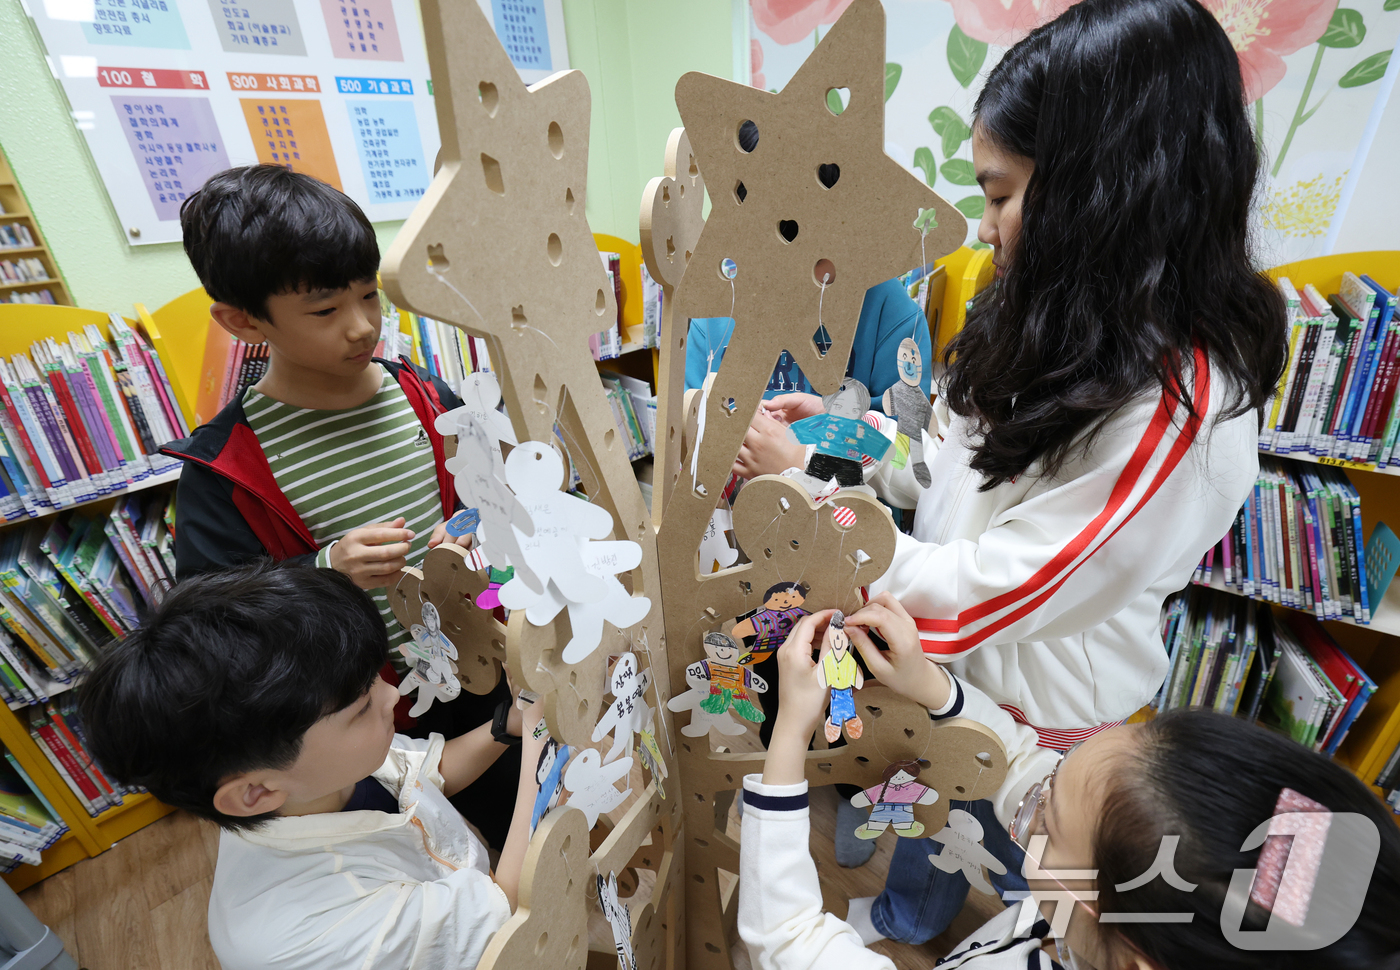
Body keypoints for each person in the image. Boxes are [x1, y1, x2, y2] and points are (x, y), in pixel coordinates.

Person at [740, 0, 1289, 942]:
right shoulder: (1052, 307)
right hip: (951, 680)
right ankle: (911, 920)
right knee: (932, 819)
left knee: (1015, 856)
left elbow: (984, 594)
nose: (985, 227)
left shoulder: (1180, 408)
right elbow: (948, 455)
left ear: (1099, 192)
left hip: (1039, 720)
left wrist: (812, 496)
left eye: (1000, 197)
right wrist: (843, 437)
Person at [160, 164, 519, 847]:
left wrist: (484, 529)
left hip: (490, 656)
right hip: (380, 713)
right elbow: (214, 623)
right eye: (325, 310)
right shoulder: (226, 466)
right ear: (242, 321)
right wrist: (321, 573)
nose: (362, 327)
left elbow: (488, 494)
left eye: (369, 296)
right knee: (440, 838)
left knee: (530, 795)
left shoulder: (420, 393)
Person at [741, 602, 1400, 970]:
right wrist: (934, 688)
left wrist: (787, 741)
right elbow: (1024, 762)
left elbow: (791, 937)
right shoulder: (1138, 918)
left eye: (1046, 825)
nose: (1028, 806)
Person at [76, 561, 548, 970]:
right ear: (254, 793)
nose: (391, 695)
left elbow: (425, 770)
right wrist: (539, 747)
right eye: (361, 707)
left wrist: (507, 725)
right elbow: (505, 913)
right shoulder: (312, 935)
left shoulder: (308, 780)